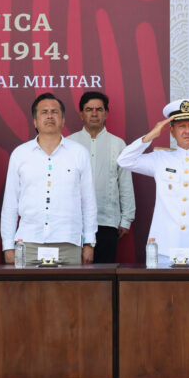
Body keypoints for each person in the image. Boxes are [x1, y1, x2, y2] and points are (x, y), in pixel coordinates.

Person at [117, 99, 189, 265]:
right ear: (172, 131)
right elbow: (124, 160)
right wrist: (150, 135)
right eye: (181, 126)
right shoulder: (160, 158)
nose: (187, 131)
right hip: (164, 247)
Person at [0, 93, 97, 265]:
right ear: (35, 122)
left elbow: (88, 202)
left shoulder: (79, 153)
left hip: (68, 242)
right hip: (28, 243)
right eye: (44, 112)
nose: (50, 116)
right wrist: (8, 246)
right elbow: (10, 204)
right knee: (26, 292)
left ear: (63, 119)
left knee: (70, 292)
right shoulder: (20, 154)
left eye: (55, 112)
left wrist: (89, 242)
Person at [67, 91, 135, 263]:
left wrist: (126, 219)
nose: (94, 113)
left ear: (106, 113)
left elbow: (125, 183)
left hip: (107, 223)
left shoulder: (118, 144)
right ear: (81, 114)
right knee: (72, 279)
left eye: (99, 109)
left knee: (103, 280)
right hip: (73, 223)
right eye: (89, 109)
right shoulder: (68, 144)